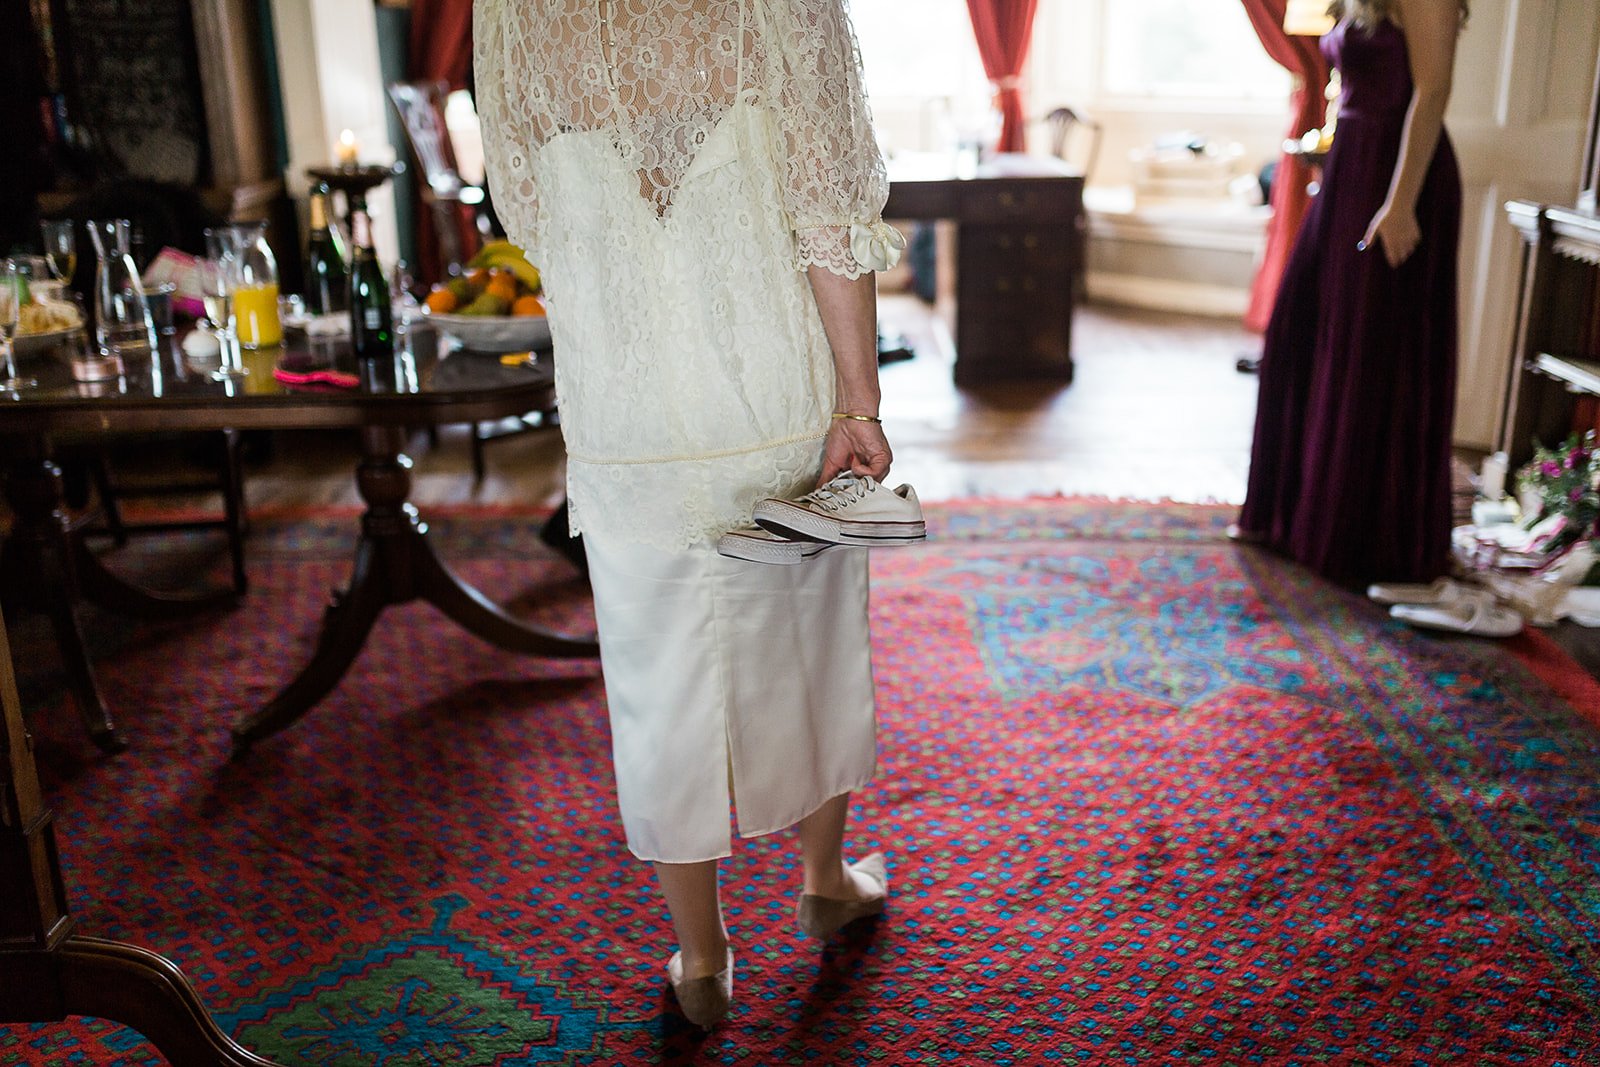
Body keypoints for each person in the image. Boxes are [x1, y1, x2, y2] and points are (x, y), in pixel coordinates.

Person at [473, 0, 903, 1027]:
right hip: (768, 387)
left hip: (623, 409)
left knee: (657, 677)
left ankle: (701, 960)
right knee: (812, 641)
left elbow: (524, 207)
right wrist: (860, 400)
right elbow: (830, 209)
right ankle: (826, 879)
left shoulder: (509, 13)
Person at [1234, 0, 1465, 586]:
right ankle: (1292, 515)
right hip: (1348, 174)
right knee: (1303, 330)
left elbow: (1433, 89)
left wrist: (1401, 202)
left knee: (1372, 346)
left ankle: (1362, 536)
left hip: (1396, 180)